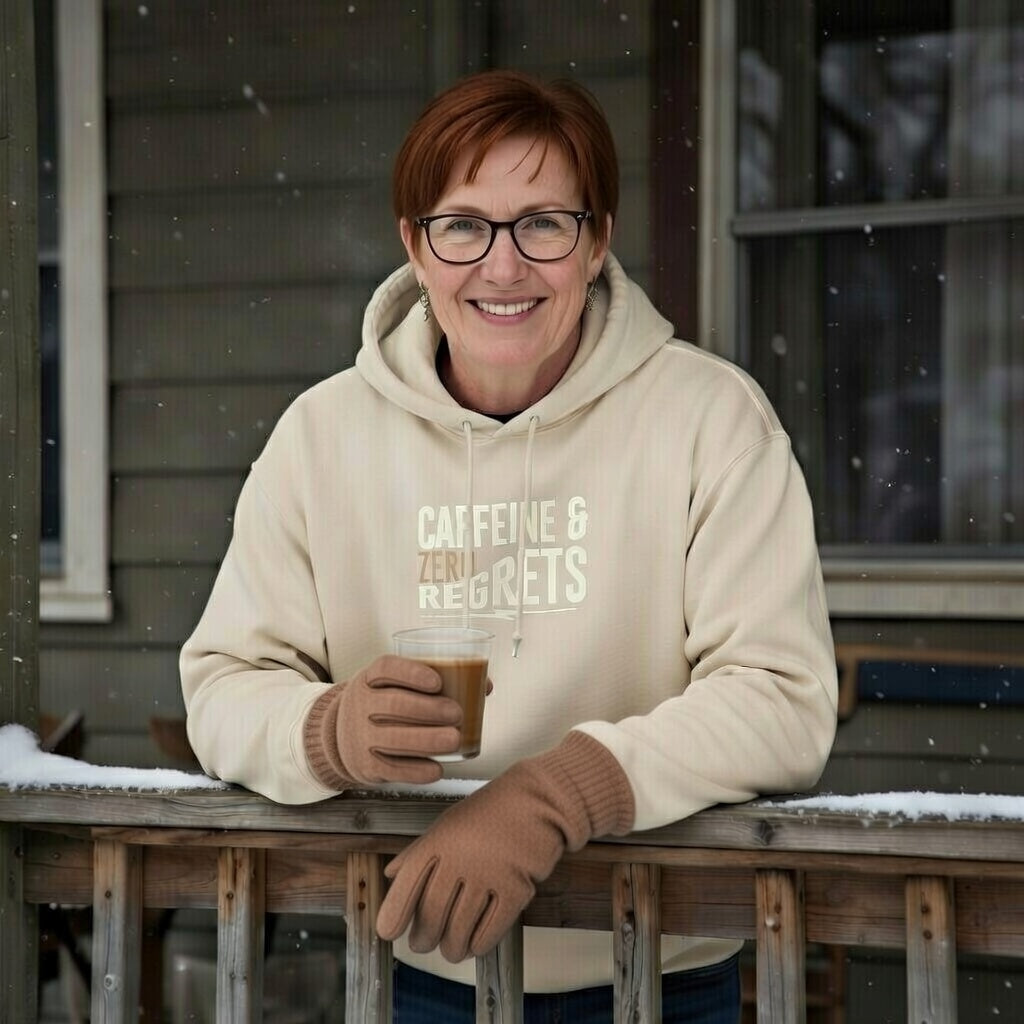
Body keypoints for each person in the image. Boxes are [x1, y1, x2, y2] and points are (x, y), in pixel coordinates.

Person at [180, 69, 838, 1023]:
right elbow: (223, 688)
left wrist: (556, 795)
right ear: (415, 245)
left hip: (663, 974)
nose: (502, 266)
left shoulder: (711, 420)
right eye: (463, 226)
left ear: (597, 240)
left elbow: (781, 700)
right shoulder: (322, 436)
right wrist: (328, 730)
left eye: (543, 224)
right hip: (423, 975)